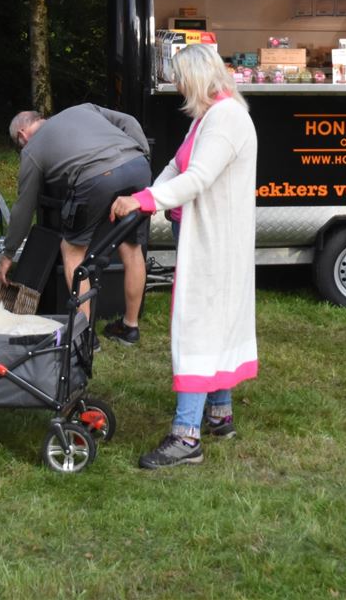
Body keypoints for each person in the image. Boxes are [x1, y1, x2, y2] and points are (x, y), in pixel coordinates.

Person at [109, 44, 258, 469]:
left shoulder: (226, 119)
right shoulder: (206, 118)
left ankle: (186, 435)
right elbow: (177, 167)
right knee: (214, 321)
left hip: (216, 242)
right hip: (206, 236)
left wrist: (144, 200)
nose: (175, 85)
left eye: (178, 78)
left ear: (194, 78)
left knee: (197, 326)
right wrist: (147, 196)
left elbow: (198, 178)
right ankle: (219, 414)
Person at [0, 103, 152, 343]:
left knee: (72, 251)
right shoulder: (83, 109)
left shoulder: (32, 148)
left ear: (22, 135)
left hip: (96, 178)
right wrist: (142, 153)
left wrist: (8, 254)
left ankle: (85, 335)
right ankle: (130, 327)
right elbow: (129, 120)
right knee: (131, 248)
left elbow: (24, 207)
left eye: (19, 144)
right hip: (138, 167)